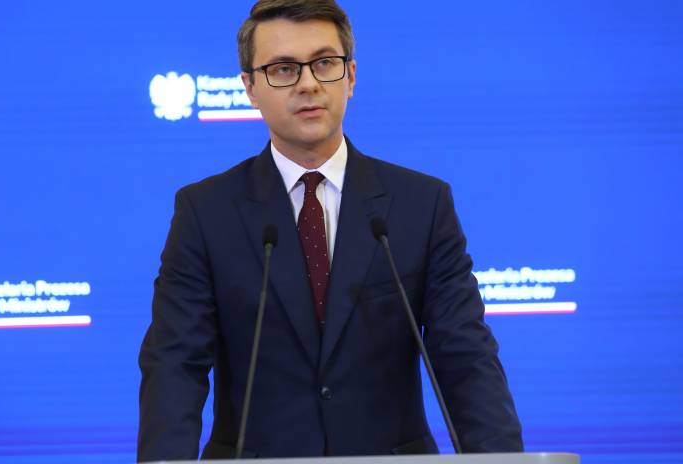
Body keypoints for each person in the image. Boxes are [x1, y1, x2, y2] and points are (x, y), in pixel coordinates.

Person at [138, 0, 523, 461]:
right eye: (283, 69)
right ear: (250, 88)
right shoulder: (206, 212)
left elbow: (465, 356)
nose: (308, 84)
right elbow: (175, 363)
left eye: (324, 63)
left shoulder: (421, 205)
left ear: (351, 76)